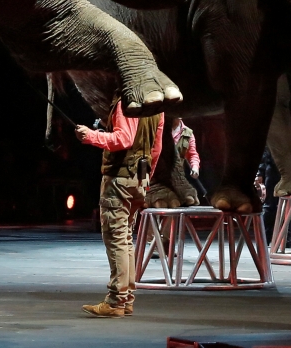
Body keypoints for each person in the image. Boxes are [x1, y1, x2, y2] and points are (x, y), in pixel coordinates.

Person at [75, 96, 164, 318]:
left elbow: (123, 139)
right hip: (139, 179)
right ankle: (126, 300)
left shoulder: (128, 102)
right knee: (125, 239)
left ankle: (116, 301)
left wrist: (90, 136)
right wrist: (146, 178)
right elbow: (157, 147)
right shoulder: (157, 107)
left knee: (116, 238)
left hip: (119, 179)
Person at [172, 118, 206, 200]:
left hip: (179, 173)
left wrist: (195, 167)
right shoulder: (161, 127)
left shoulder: (188, 133)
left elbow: (192, 154)